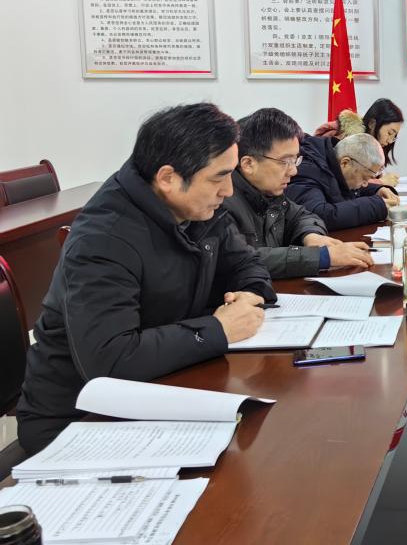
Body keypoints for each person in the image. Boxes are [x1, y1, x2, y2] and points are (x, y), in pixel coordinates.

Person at [17, 103, 273, 454]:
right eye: (219, 177)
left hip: (158, 387)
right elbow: (109, 361)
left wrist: (249, 294)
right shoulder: (104, 239)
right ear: (168, 178)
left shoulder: (198, 209)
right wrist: (219, 329)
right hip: (79, 420)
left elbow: (247, 262)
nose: (229, 190)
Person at [222, 108, 375, 278]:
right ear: (248, 164)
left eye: (295, 160)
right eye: (285, 161)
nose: (294, 171)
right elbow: (242, 259)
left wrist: (311, 236)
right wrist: (321, 257)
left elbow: (302, 215)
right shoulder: (220, 201)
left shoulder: (270, 192)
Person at [287, 132, 400, 230]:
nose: (365, 184)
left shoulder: (331, 159)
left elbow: (340, 187)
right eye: (365, 178)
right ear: (345, 163)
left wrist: (376, 190)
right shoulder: (308, 170)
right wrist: (376, 207)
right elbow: (318, 215)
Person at [313, 99, 404, 187]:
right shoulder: (340, 137)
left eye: (394, 136)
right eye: (389, 133)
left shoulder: (374, 148)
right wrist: (380, 182)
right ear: (372, 124)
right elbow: (335, 179)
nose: (390, 141)